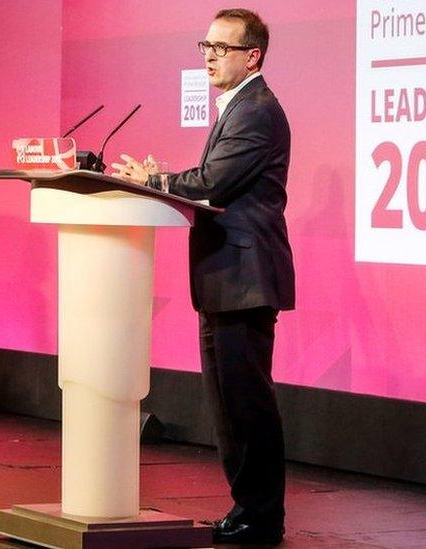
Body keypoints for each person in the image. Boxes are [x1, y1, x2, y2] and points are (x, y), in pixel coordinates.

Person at [111, 9, 293, 545]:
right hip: (224, 277)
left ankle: (261, 515)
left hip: (245, 278)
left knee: (246, 403)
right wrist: (161, 181)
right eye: (205, 46)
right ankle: (248, 508)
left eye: (221, 48)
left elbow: (214, 180)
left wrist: (156, 179)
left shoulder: (257, 110)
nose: (209, 55)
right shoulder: (237, 107)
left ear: (252, 56)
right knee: (228, 404)